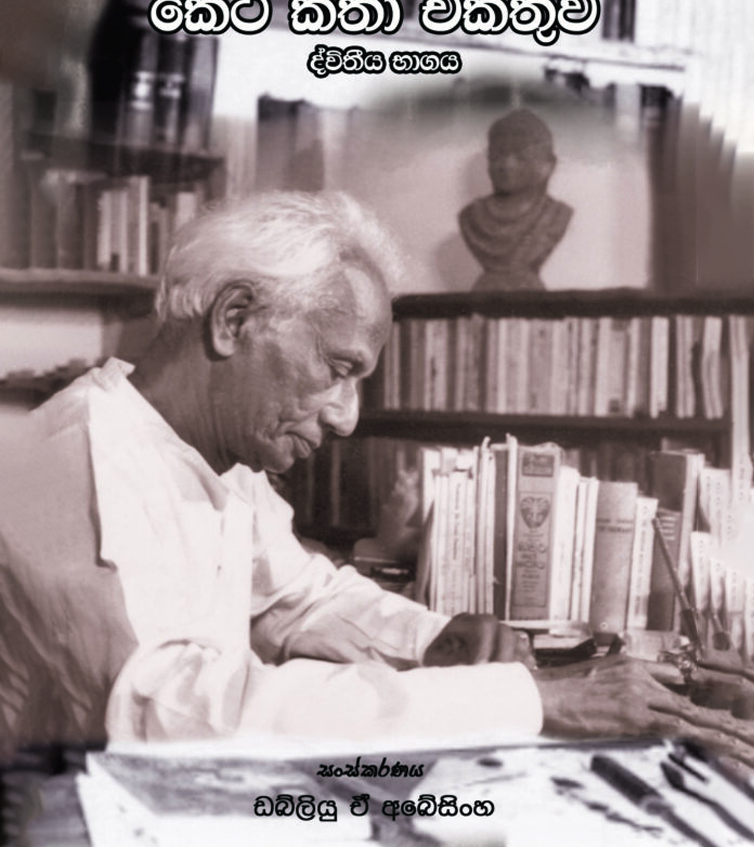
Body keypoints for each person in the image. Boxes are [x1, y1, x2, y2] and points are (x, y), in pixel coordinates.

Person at [1, 192, 753, 766]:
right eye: (337, 369)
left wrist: (433, 638)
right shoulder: (77, 458)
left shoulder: (211, 453)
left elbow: (300, 595)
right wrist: (525, 699)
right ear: (235, 319)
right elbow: (165, 710)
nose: (346, 417)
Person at [459, 109, 573, 291]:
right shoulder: (471, 217)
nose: (507, 165)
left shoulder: (557, 215)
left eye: (521, 156)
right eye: (497, 155)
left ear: (548, 164)